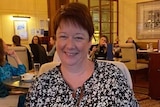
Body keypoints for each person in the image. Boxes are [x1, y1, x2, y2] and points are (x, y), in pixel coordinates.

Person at [25, 3, 138, 106]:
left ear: (90, 41)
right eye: (63, 36)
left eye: (78, 37)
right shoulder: (40, 86)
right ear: (56, 40)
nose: (70, 45)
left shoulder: (113, 77)